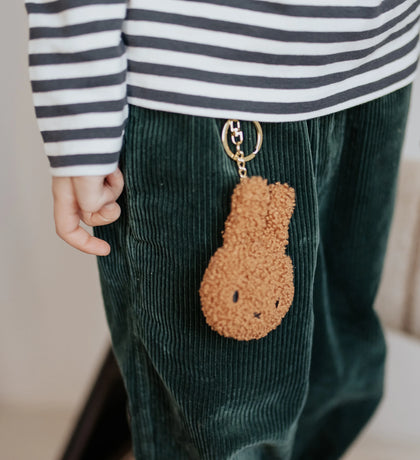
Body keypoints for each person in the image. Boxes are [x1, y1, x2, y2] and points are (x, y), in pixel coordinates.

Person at [23, 1, 419, 459]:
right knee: (224, 411)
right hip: (208, 83)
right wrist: (82, 118)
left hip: (375, 62)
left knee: (338, 363)